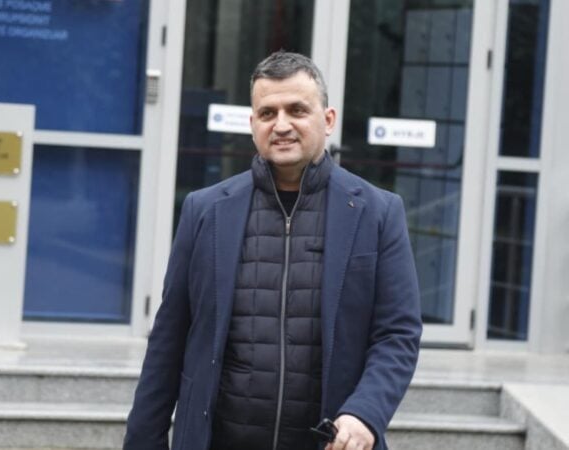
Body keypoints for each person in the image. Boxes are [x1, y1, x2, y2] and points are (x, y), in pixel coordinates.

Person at [123, 51, 422, 450]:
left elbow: (398, 334)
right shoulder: (205, 211)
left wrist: (365, 412)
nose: (281, 125)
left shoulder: (378, 213)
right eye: (267, 113)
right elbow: (169, 338)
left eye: (297, 110)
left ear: (328, 120)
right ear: (253, 125)